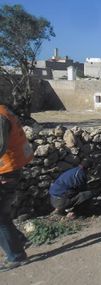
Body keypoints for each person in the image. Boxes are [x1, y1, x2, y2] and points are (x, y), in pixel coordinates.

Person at [0, 104, 33, 272]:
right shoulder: (4, 110)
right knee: (2, 214)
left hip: (5, 171)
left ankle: (16, 256)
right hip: (11, 168)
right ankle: (19, 241)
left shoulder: (0, 116)